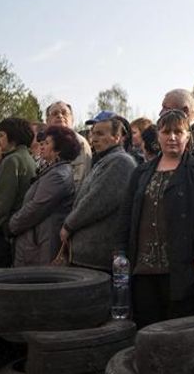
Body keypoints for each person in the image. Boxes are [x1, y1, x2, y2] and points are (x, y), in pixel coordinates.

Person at [125, 110, 194, 328]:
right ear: (158, 136)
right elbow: (128, 212)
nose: (172, 137)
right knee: (146, 325)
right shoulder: (142, 172)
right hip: (143, 267)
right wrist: (120, 250)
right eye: (166, 132)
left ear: (188, 136)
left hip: (181, 266)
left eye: (178, 132)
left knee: (177, 326)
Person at [61, 113, 137, 271]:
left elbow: (96, 202)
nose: (94, 139)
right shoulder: (105, 160)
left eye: (100, 134)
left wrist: (69, 225)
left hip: (97, 257)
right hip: (87, 255)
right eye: (93, 133)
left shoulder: (120, 162)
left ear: (117, 137)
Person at [9, 126, 80, 266]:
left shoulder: (58, 175)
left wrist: (12, 224)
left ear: (58, 150)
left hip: (42, 244)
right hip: (37, 241)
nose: (41, 146)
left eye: (47, 143)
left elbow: (36, 207)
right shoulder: (51, 171)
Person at [0, 118, 38, 266]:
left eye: (2, 135)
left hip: (5, 233)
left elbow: (2, 205)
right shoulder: (27, 158)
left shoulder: (12, 161)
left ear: (13, 136)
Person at [45, 101, 93, 188]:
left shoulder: (78, 143)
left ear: (72, 119)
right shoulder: (47, 143)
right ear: (47, 121)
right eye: (55, 113)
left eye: (64, 113)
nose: (60, 116)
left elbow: (78, 181)